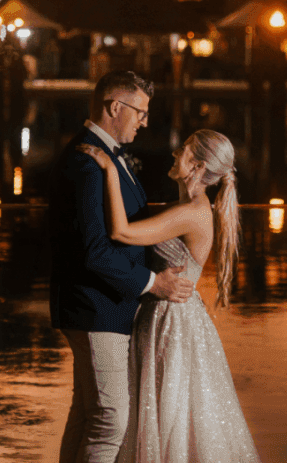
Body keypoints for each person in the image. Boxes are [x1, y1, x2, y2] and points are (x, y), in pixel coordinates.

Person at [79, 128, 261, 462]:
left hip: (172, 320)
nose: (175, 153)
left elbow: (122, 231)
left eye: (185, 150)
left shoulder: (191, 212)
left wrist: (109, 171)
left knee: (170, 414)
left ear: (197, 166)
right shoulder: (180, 207)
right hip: (167, 314)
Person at [49, 71, 195, 463]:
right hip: (97, 305)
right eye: (140, 112)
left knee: (87, 416)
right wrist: (153, 283)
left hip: (99, 304)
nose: (144, 122)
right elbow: (95, 251)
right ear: (115, 106)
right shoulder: (86, 161)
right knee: (111, 419)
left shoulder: (103, 155)